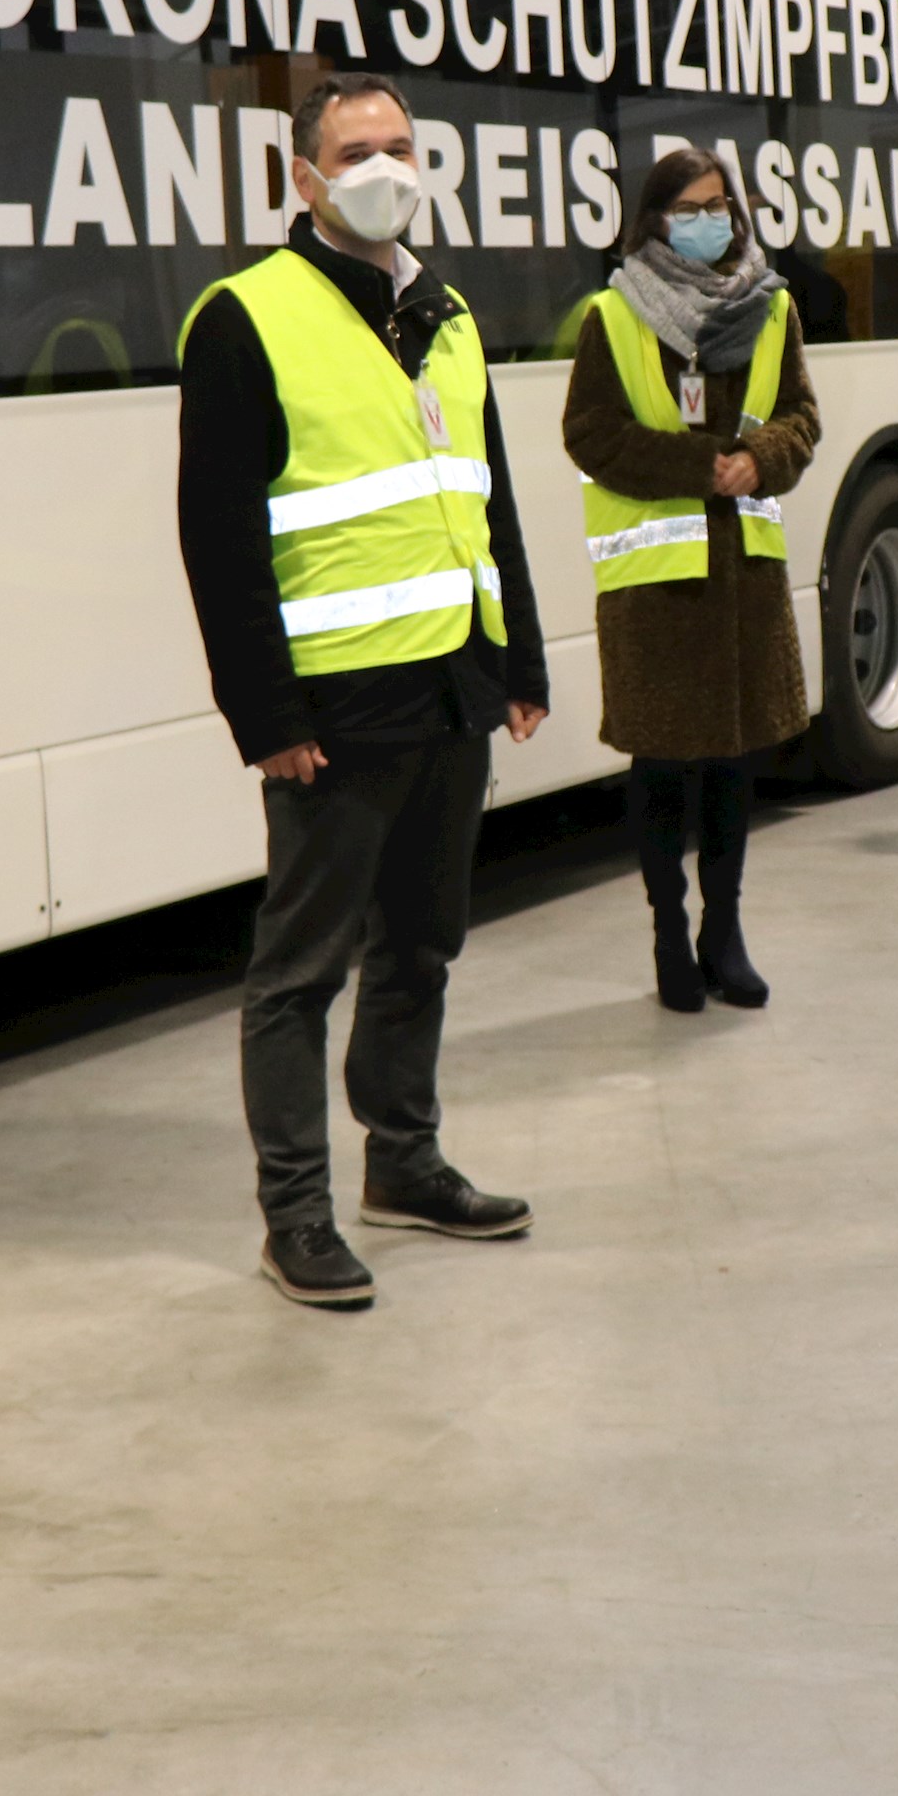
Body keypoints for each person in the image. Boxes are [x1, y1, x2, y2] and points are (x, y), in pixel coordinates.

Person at [175, 74, 550, 1311]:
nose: (382, 167)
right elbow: (218, 536)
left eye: (399, 146)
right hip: (334, 710)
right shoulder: (244, 317)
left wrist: (521, 660)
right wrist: (265, 715)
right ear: (305, 177)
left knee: (422, 947)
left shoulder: (441, 307)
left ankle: (404, 1160)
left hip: (450, 684)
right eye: (355, 150)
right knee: (299, 973)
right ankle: (297, 1215)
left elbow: (482, 493)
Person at [565, 148, 822, 1014]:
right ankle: (670, 932)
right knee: (664, 770)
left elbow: (802, 417)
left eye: (722, 205)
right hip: (657, 587)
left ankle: (726, 930)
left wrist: (763, 457)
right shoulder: (613, 313)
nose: (711, 220)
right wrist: (703, 462)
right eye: (690, 207)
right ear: (654, 220)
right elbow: (590, 434)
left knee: (732, 768)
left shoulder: (773, 305)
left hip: (743, 581)